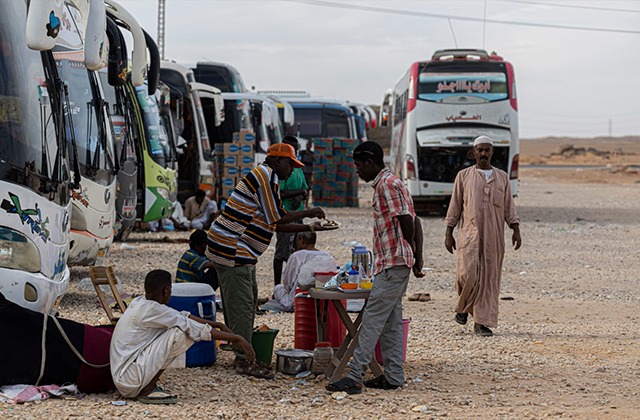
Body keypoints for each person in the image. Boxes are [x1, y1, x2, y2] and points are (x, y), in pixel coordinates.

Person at [206, 142, 337, 379]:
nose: (293, 170)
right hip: (233, 247)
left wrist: (311, 226)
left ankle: (244, 353)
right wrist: (309, 213)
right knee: (243, 303)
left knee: (244, 302)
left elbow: (276, 222)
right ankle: (243, 361)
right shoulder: (264, 176)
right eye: (290, 165)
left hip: (234, 248)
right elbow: (279, 218)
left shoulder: (270, 180)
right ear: (277, 161)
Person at [327, 141, 424, 395]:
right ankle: (393, 376)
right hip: (395, 263)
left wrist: (410, 250)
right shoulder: (391, 182)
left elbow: (407, 221)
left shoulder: (387, 184)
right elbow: (415, 220)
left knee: (371, 321)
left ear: (370, 163)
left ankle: (354, 376)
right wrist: (416, 255)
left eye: (359, 166)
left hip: (393, 263)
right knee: (391, 322)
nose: (357, 171)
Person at [109, 270, 254, 403]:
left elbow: (181, 316)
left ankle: (148, 385)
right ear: (166, 291)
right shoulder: (154, 309)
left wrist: (219, 325)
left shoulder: (139, 302)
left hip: (124, 377)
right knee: (181, 332)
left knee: (181, 325)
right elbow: (191, 326)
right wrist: (237, 338)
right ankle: (148, 388)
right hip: (130, 380)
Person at [444, 135, 522, 337]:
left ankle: (481, 323)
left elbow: (509, 208)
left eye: (487, 150)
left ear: (492, 152)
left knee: (489, 280)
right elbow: (455, 206)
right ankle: (462, 308)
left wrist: (515, 229)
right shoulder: (463, 176)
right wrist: (448, 232)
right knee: (467, 275)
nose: (484, 153)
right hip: (468, 235)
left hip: (494, 238)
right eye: (480, 150)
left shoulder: (502, 178)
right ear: (474, 152)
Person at [273, 136, 308, 288]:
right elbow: (278, 192)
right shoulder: (281, 169)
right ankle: (278, 286)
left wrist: (300, 195)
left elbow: (305, 189)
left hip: (298, 214)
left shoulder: (298, 168)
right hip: (285, 216)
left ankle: (292, 285)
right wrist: (298, 192)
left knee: (297, 252)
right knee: (282, 253)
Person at [272, 231, 336, 311]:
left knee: (277, 288)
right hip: (323, 297)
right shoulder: (327, 256)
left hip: (297, 299)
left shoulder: (297, 256)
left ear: (301, 240)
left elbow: (287, 282)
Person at [300, 140, 314, 208]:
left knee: (308, 188)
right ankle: (303, 202)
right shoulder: (302, 152)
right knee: (302, 188)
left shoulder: (312, 153)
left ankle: (307, 203)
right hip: (303, 173)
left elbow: (315, 159)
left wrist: (310, 154)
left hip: (309, 173)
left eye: (309, 145)